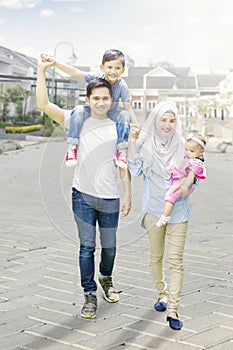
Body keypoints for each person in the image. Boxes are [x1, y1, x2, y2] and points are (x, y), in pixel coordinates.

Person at [36, 57, 131, 320]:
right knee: (87, 247)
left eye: (105, 98)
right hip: (83, 196)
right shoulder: (76, 119)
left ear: (111, 99)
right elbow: (44, 104)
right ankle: (89, 294)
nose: (101, 102)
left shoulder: (118, 124)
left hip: (110, 197)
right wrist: (42, 70)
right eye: (96, 98)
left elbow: (123, 164)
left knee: (110, 247)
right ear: (88, 99)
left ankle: (106, 279)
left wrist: (128, 193)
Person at [128, 101, 199, 330]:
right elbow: (135, 170)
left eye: (172, 120)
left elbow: (195, 171)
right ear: (155, 121)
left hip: (179, 211)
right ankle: (162, 294)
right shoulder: (146, 144)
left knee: (176, 261)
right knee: (156, 257)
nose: (168, 125)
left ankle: (174, 309)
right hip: (153, 210)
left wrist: (192, 178)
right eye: (163, 120)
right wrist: (132, 142)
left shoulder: (183, 145)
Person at [41, 49, 138, 169]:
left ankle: (121, 151)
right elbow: (75, 72)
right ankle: (72, 147)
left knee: (124, 114)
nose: (113, 71)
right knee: (78, 110)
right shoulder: (96, 77)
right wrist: (55, 63)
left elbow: (127, 106)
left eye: (117, 68)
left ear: (123, 70)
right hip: (91, 110)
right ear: (102, 67)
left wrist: (136, 124)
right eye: (110, 67)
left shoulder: (122, 85)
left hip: (110, 112)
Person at [156, 133, 206, 227]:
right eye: (186, 149)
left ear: (201, 151)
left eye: (191, 151)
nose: (188, 152)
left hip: (184, 184)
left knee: (170, 195)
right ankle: (165, 215)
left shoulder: (197, 162)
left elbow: (191, 176)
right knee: (170, 194)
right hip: (178, 180)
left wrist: (185, 185)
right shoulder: (189, 157)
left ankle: (165, 216)